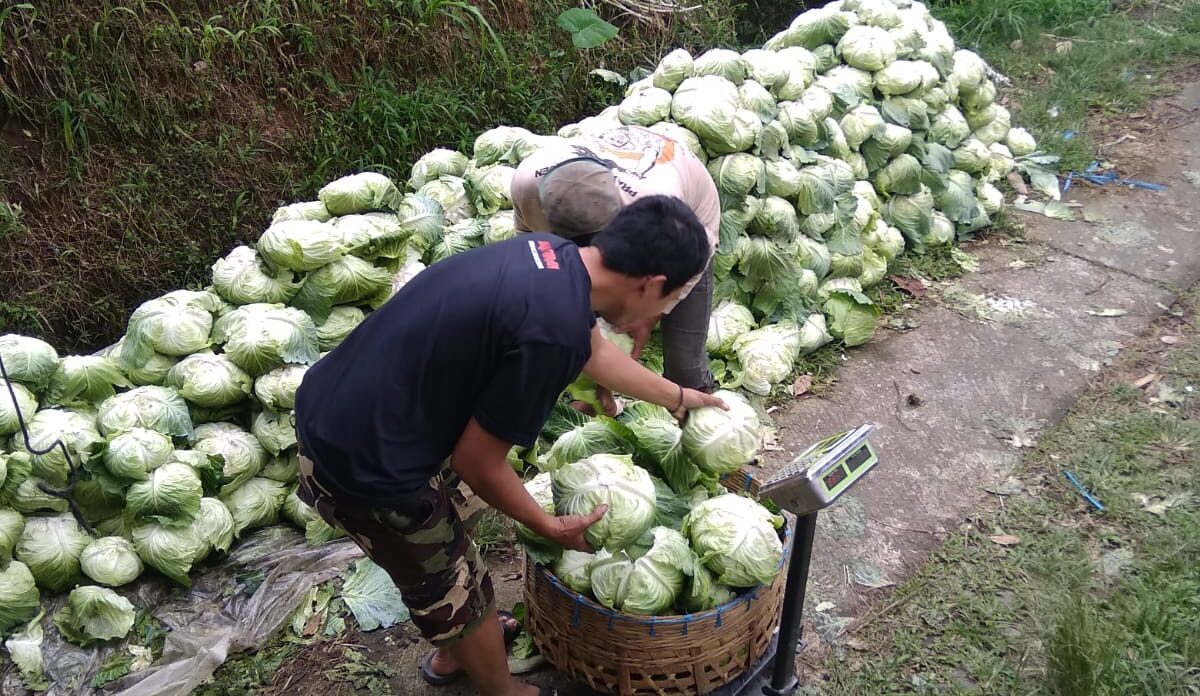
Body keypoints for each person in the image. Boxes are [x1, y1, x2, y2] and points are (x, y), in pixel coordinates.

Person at [293, 195, 725, 696]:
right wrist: (548, 525)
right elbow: (477, 464)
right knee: (455, 585)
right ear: (651, 284)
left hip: (344, 403)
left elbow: (596, 353)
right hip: (363, 462)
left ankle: (459, 645)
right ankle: (500, 685)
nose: (663, 313)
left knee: (460, 522)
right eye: (669, 302)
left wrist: (678, 396)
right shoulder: (552, 332)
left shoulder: (554, 257)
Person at [510, 125, 721, 416]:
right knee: (579, 322)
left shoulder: (658, 217)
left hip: (691, 225)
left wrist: (650, 314)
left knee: (684, 365)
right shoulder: (528, 187)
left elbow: (693, 257)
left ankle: (702, 410)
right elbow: (539, 263)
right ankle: (589, 400)